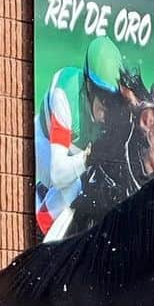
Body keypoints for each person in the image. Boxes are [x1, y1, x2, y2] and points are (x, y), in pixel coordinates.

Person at [34, 36, 124, 238]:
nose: (107, 108)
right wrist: (87, 158)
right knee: (73, 186)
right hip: (45, 146)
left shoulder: (115, 111)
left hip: (73, 154)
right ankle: (39, 229)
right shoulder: (64, 95)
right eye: (103, 98)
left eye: (114, 100)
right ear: (89, 86)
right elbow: (58, 174)